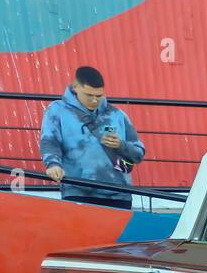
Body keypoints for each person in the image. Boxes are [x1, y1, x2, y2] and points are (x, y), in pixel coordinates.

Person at [39, 66, 145, 209]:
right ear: (75, 87)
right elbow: (50, 141)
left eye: (99, 95)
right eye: (89, 95)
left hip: (120, 193)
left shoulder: (117, 115)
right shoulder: (57, 110)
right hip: (78, 191)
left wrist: (121, 145)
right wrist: (52, 164)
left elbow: (139, 153)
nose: (95, 100)